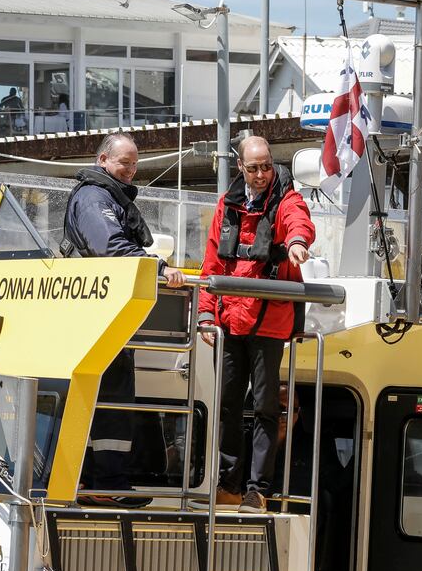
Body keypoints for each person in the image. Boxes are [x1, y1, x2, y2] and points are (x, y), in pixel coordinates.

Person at [62, 132, 185, 507]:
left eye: (134, 164)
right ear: (103, 161)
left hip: (106, 315)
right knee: (110, 397)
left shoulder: (105, 195)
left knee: (112, 398)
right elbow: (111, 246)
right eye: (123, 163)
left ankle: (104, 478)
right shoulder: (95, 197)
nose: (130, 170)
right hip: (93, 315)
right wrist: (159, 266)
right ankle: (104, 480)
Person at [196, 136, 315, 511]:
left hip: (269, 322)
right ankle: (228, 484)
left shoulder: (286, 200)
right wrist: (204, 312)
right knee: (228, 405)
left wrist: (297, 242)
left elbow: (299, 222)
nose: (261, 174)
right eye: (253, 168)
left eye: (266, 166)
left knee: (265, 407)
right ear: (241, 168)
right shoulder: (227, 205)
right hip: (230, 320)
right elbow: (213, 263)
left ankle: (257, 489)